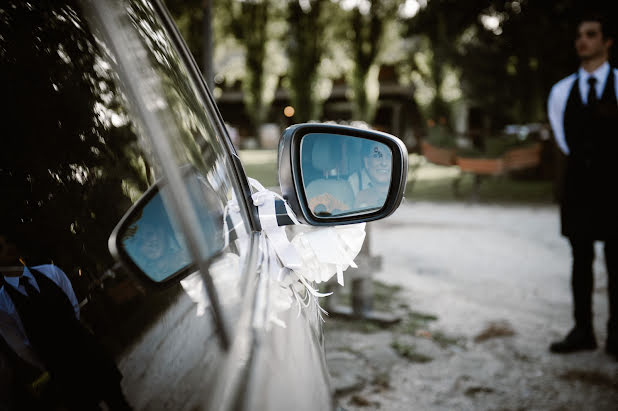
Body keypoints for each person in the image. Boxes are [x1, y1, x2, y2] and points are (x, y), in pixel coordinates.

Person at [546, 13, 618, 358]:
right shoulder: (561, 92)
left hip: (615, 187)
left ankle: (616, 336)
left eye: (590, 34)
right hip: (579, 187)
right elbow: (564, 139)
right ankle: (582, 330)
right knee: (580, 259)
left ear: (607, 42)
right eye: (579, 34)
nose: (582, 40)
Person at [0, 236, 132, 410]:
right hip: (62, 371)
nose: (7, 247)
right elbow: (21, 348)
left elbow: (73, 309)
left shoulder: (51, 272)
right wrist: (52, 362)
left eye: (7, 242)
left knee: (119, 403)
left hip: (88, 353)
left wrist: (74, 341)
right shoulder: (2, 303)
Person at [350, 141, 393, 209]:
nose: (384, 163)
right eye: (377, 156)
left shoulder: (398, 179)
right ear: (366, 162)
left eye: (388, 156)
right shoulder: (354, 182)